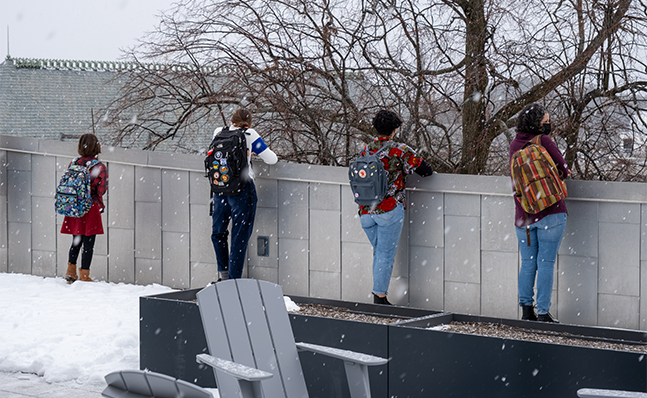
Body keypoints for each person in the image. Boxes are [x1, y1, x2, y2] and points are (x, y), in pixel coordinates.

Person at [359, 110, 434, 305]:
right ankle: (380, 298)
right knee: (384, 255)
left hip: (366, 211)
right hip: (388, 210)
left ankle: (378, 294)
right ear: (394, 129)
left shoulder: (366, 150)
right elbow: (426, 171)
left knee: (379, 252)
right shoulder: (399, 150)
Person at [510, 103, 570, 322]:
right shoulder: (543, 141)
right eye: (546, 122)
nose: (548, 125)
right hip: (550, 212)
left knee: (528, 264)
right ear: (538, 124)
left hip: (523, 216)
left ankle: (526, 310)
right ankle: (543, 312)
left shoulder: (514, 144)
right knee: (545, 264)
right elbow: (564, 169)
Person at [210, 108, 278, 281]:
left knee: (219, 233)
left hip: (220, 189)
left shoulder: (219, 132)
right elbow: (272, 159)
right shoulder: (250, 134)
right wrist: (251, 153)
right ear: (248, 122)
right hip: (242, 191)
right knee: (238, 238)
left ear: (231, 120)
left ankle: (222, 275)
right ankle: (233, 281)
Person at [61, 134, 108, 283]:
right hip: (90, 207)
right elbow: (101, 190)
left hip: (74, 206)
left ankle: (71, 271)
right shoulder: (99, 167)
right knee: (89, 243)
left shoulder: (73, 163)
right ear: (97, 147)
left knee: (76, 240)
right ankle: (85, 276)